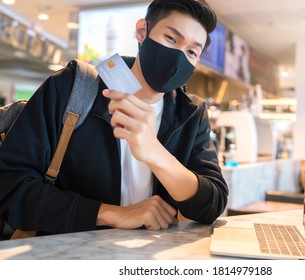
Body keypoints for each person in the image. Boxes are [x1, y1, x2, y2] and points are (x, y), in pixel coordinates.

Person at [0, 0, 228, 236]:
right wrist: (111, 214)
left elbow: (212, 204)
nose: (178, 56)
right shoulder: (74, 88)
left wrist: (154, 151)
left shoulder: (191, 114)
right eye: (171, 38)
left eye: (192, 52)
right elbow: (9, 184)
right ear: (142, 31)